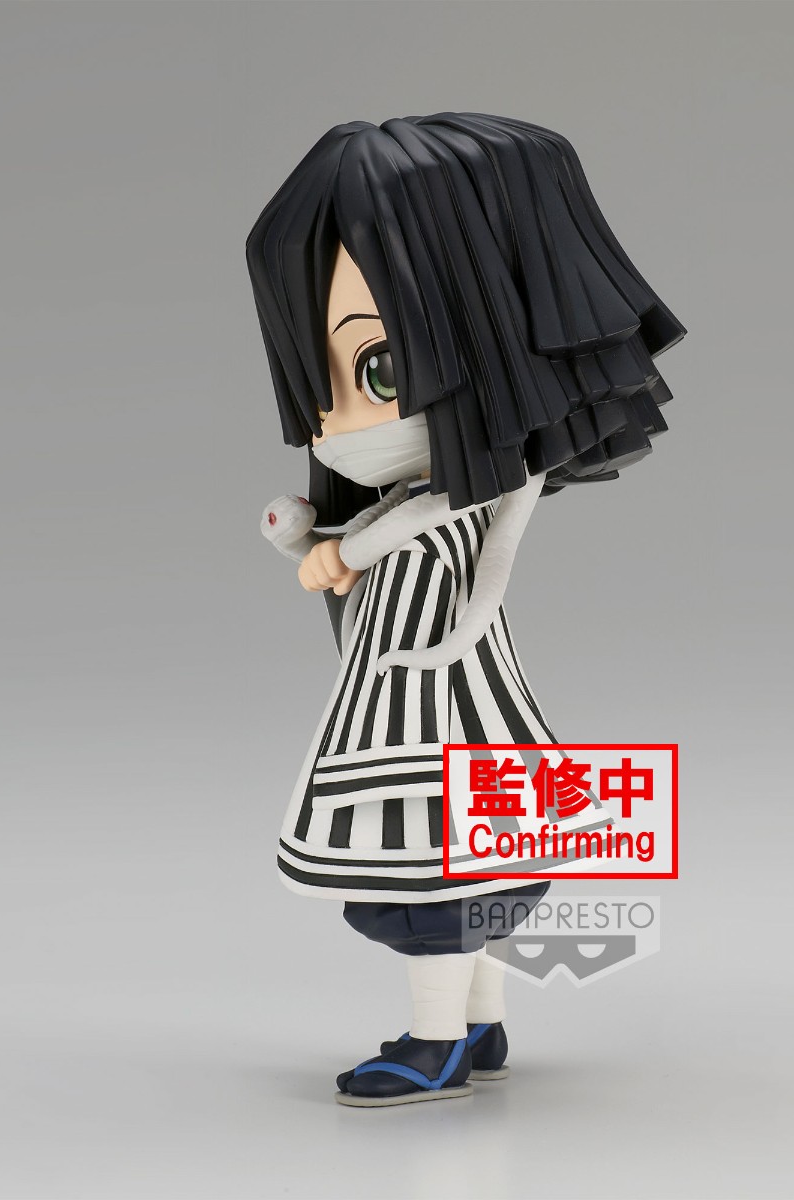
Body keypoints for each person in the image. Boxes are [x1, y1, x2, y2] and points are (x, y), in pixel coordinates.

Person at [247, 113, 684, 1106]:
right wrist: (312, 548)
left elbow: (402, 534)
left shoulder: (452, 504)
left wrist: (334, 553)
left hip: (425, 710)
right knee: (475, 856)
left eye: (379, 371)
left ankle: (438, 1039)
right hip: (446, 702)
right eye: (318, 383)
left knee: (432, 864)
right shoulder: (443, 499)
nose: (336, 424)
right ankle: (481, 1023)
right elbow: (376, 541)